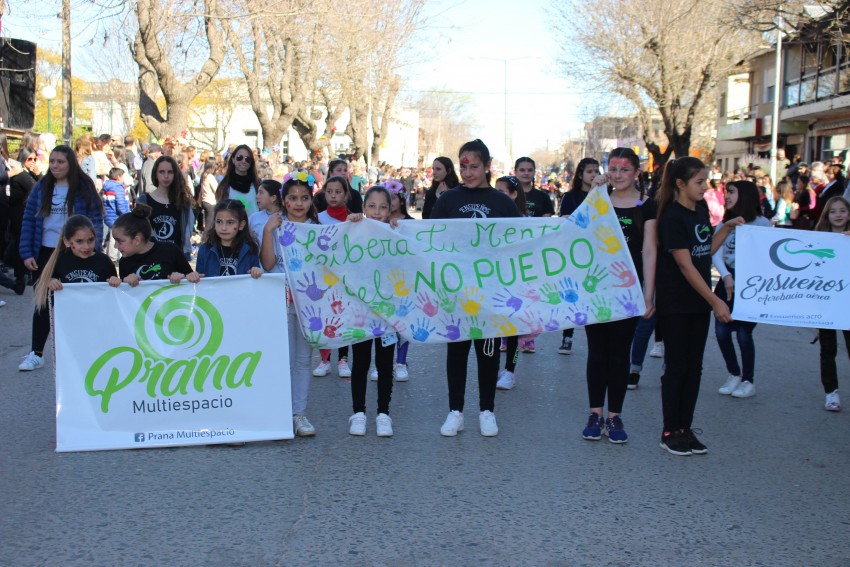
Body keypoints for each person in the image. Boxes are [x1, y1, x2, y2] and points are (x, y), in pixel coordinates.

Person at [652, 156, 744, 456]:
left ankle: (685, 428)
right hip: (676, 302)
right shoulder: (671, 216)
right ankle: (669, 430)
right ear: (680, 184)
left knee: (694, 367)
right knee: (676, 366)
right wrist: (715, 300)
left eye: (706, 181)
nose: (706, 188)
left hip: (697, 304)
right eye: (699, 182)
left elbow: (704, 250)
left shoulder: (701, 210)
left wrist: (726, 227)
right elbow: (685, 265)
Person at [430, 139, 521, 437]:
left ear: (487, 166)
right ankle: (455, 411)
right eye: (463, 166)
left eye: (474, 166)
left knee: (488, 352)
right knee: (456, 352)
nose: (468, 172)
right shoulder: (446, 200)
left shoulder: (502, 202)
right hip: (455, 292)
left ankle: (487, 410)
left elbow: (521, 241)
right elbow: (429, 239)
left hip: (490, 293)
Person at [580, 148, 656, 444]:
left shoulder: (648, 206)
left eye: (625, 169)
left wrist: (648, 294)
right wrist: (594, 190)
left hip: (628, 291)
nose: (618, 174)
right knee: (597, 352)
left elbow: (649, 250)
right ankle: (595, 413)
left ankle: (615, 416)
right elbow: (576, 234)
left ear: (637, 173)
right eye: (613, 168)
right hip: (596, 289)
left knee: (619, 354)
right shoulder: (598, 200)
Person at [18, 145, 104, 371]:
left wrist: (95, 250)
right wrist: (27, 252)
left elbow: (95, 218)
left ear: (71, 164)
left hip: (75, 251)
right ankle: (36, 352)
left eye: (60, 162)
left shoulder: (84, 187)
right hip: (45, 251)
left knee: (77, 300)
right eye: (52, 161)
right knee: (42, 303)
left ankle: (84, 350)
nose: (55, 166)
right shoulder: (42, 188)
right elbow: (28, 220)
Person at [259, 174, 319, 436]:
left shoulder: (318, 228)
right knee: (283, 358)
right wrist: (267, 231)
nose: (298, 203)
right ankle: (279, 412)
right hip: (281, 301)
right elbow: (269, 263)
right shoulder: (276, 226)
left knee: (304, 360)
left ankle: (299, 413)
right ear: (283, 200)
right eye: (293, 198)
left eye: (304, 198)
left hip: (309, 303)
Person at [346, 185, 399, 437]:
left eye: (383, 207)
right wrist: (349, 225)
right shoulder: (354, 230)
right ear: (363, 208)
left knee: (386, 362)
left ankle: (383, 413)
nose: (377, 212)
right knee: (361, 362)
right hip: (360, 310)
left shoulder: (396, 233)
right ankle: (358, 412)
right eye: (371, 206)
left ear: (391, 210)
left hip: (388, 312)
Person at [712, 181, 771, 399]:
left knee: (745, 333)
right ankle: (733, 373)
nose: (727, 196)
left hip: (751, 284)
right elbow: (715, 250)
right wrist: (726, 276)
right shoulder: (725, 223)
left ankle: (748, 379)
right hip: (728, 279)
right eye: (726, 192)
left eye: (732, 192)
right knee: (721, 331)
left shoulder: (762, 223)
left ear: (745, 195)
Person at [32, 216, 119, 315]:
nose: (86, 246)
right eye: (79, 241)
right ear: (67, 242)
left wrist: (115, 282)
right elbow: (44, 297)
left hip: (97, 315)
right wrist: (51, 281)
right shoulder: (61, 260)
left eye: (90, 240)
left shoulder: (104, 261)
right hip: (70, 317)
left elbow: (114, 294)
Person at [312, 175, 353, 379]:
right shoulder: (317, 218)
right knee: (324, 315)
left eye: (338, 192)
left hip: (344, 275)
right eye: (329, 192)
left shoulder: (352, 219)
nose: (333, 196)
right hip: (323, 275)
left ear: (346, 194)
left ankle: (343, 359)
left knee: (343, 316)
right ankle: (324, 358)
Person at [558, 157, 600, 355]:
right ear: (581, 174)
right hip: (574, 252)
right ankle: (568, 335)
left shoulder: (604, 196)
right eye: (589, 171)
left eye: (596, 171)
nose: (593, 175)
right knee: (572, 293)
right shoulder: (570, 196)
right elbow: (565, 221)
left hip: (597, 251)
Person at [813, 196, 850, 411]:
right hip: (826, 303)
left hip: (846, 302)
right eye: (833, 211)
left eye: (842, 210)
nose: (838, 215)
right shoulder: (819, 239)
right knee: (827, 349)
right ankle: (831, 392)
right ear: (827, 215)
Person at [513, 156, 554, 353]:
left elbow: (547, 224)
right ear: (515, 171)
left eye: (530, 169)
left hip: (534, 253)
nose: (526, 173)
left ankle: (528, 336)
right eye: (522, 169)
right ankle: (507, 335)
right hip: (511, 254)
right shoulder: (506, 196)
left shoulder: (543, 197)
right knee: (511, 296)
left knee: (531, 296)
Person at [492, 175, 527, 390]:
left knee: (513, 328)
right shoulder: (488, 219)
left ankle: (509, 370)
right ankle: (492, 368)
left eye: (502, 192)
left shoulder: (524, 222)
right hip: (492, 280)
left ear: (514, 195)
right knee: (494, 326)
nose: (497, 196)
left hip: (515, 281)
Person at [112, 203, 199, 286]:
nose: (115, 246)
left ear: (137, 240)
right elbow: (126, 297)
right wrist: (124, 283)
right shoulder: (124, 262)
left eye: (119, 241)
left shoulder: (170, 250)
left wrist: (182, 277)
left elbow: (192, 279)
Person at [135, 155, 194, 260]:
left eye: (170, 172)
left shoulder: (183, 201)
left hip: (176, 257)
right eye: (161, 172)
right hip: (151, 257)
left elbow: (187, 230)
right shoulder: (144, 201)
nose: (166, 176)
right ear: (156, 174)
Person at [7, 147, 42, 295]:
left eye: (35, 159)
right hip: (19, 215)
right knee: (21, 244)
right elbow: (37, 188)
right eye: (29, 159)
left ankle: (22, 275)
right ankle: (21, 277)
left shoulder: (28, 173)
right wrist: (38, 174)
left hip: (26, 213)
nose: (32, 162)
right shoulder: (21, 174)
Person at [215, 144, 261, 216]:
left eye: (247, 159)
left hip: (254, 226)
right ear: (233, 160)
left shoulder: (257, 185)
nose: (243, 161)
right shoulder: (224, 186)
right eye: (239, 158)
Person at [102, 167, 131, 262]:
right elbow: (121, 204)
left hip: (108, 215)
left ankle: (109, 254)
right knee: (115, 237)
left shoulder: (106, 186)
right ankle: (113, 258)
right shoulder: (117, 188)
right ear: (119, 177)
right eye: (123, 176)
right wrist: (127, 215)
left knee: (110, 236)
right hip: (117, 217)